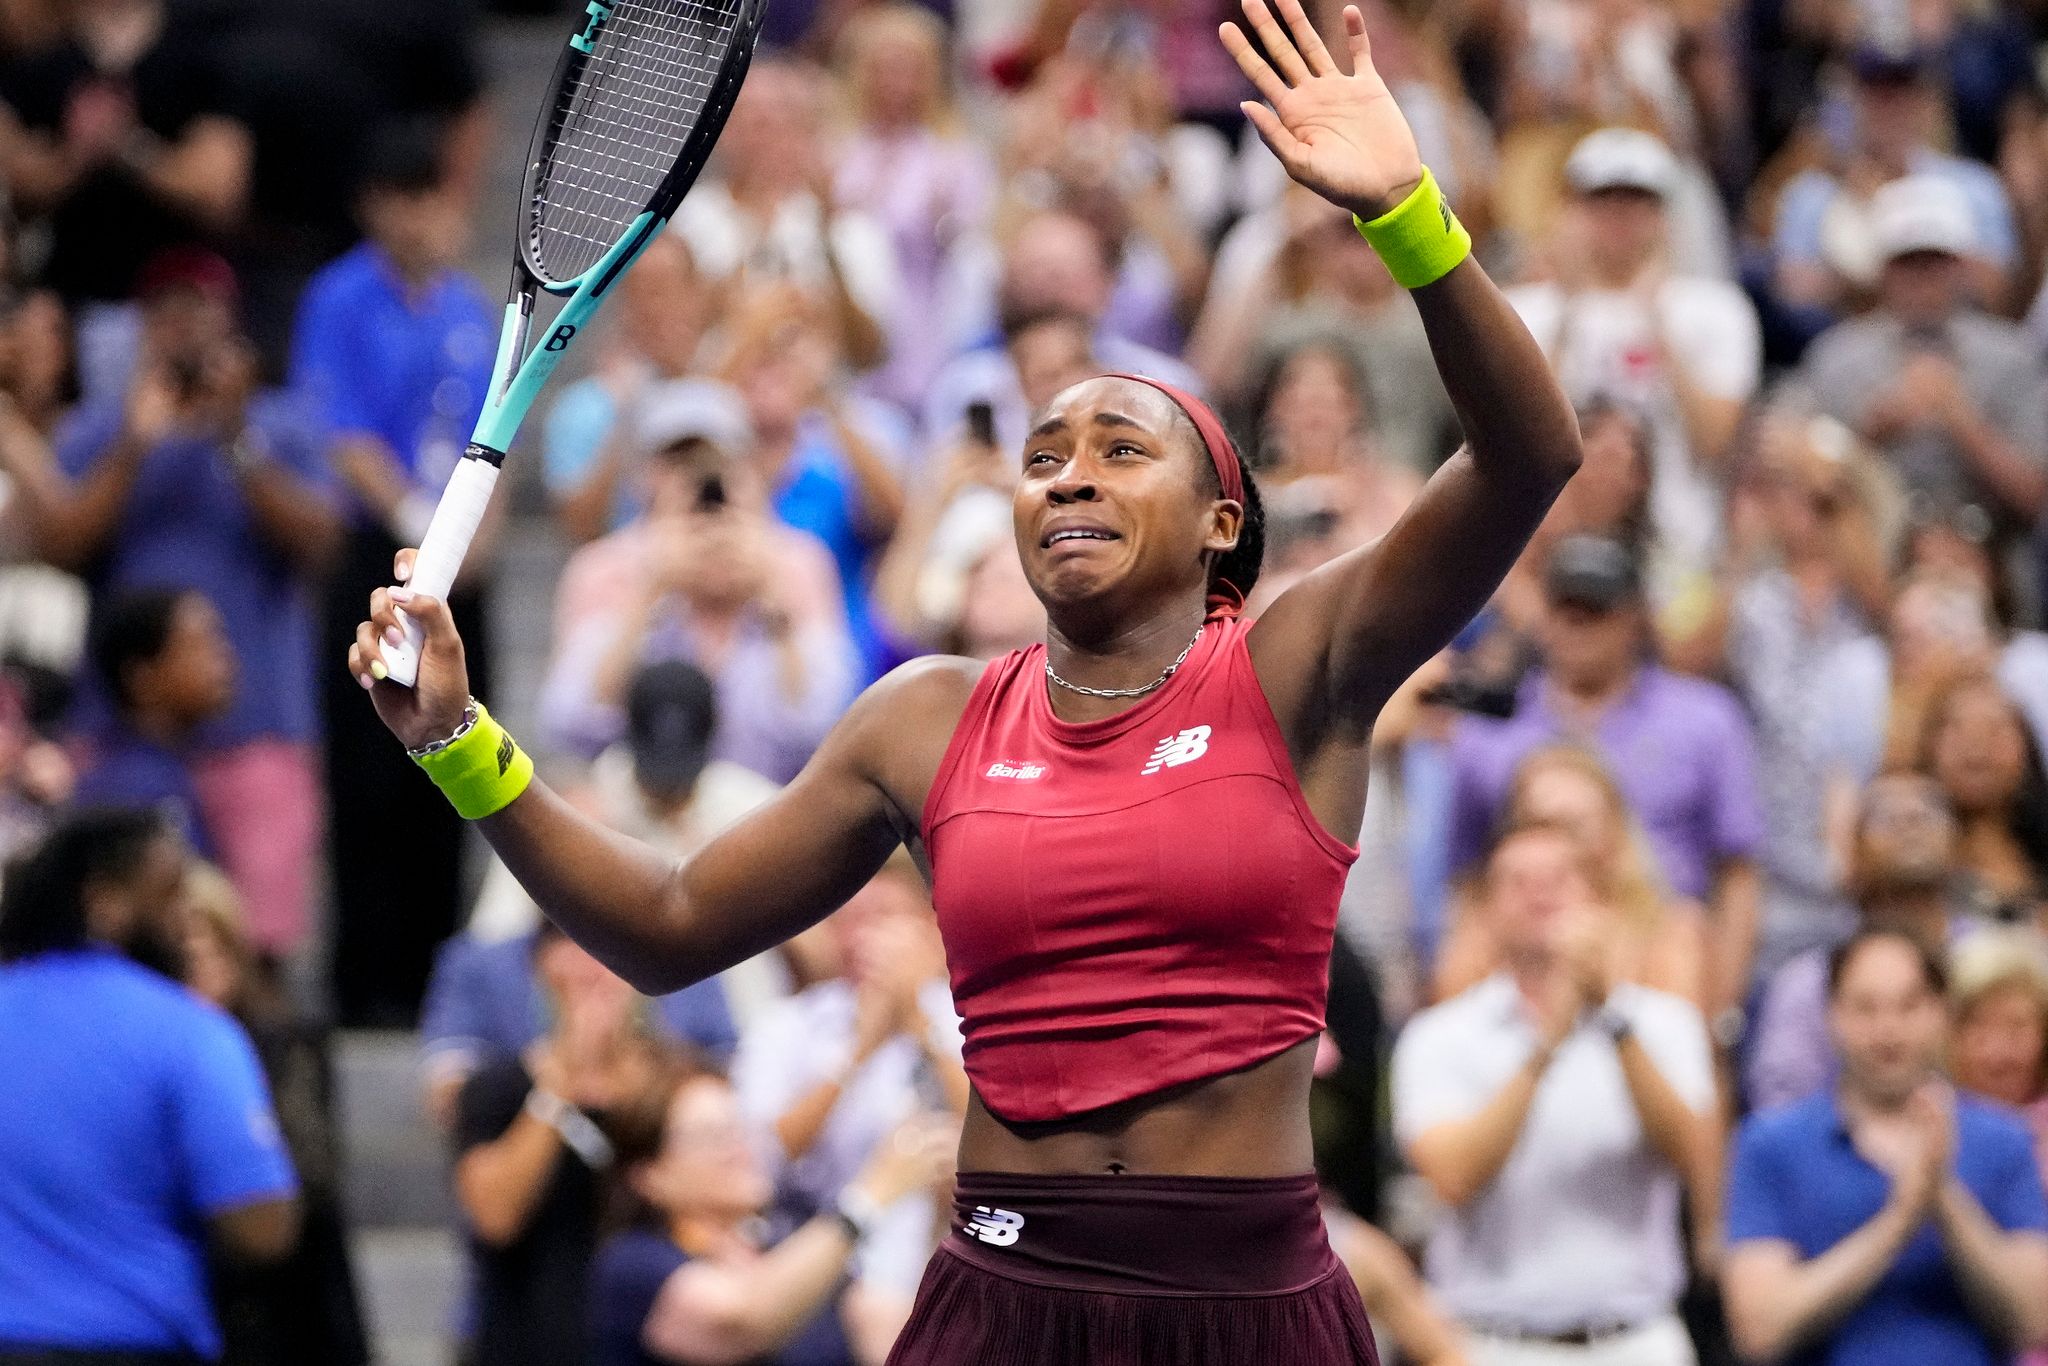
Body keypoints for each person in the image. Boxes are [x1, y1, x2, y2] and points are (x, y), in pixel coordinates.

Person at [348, 2, 1583, 1356]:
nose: (1069, 475)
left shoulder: (1301, 665)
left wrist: (1407, 214)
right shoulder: (925, 716)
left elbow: (1528, 456)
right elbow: (670, 920)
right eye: (1042, 456)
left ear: (1221, 521)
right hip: (1000, 1297)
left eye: (1121, 450)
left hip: (1247, 1305)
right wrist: (459, 737)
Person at [39, 248, 338, 952]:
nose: (182, 325)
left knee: (256, 946)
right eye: (165, 309)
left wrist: (236, 439)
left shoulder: (278, 425)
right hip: (122, 733)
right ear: (143, 325)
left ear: (228, 318)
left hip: (255, 728)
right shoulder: (99, 432)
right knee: (120, 937)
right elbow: (62, 545)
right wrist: (134, 446)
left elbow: (323, 544)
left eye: (198, 306)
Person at [293, 121, 499, 1024]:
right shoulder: (337, 299)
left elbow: (493, 435)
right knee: (367, 774)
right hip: (375, 558)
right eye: (405, 200)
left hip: (458, 572)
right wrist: (418, 517)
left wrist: (472, 543)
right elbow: (342, 433)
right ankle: (365, 989)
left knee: (452, 761)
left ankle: (434, 986)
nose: (423, 218)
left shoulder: (467, 308)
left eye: (434, 198)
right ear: (375, 208)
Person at [1393, 820, 1717, 1365]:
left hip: (1636, 1339)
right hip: (1492, 1341)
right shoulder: (1438, 1036)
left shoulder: (1665, 1024)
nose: (1539, 894)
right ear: (1486, 907)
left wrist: (1612, 1019)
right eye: (1518, 881)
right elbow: (1451, 1177)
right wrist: (1547, 1044)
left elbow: (1696, 1158)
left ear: (1601, 900)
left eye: (1559, 879)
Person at [0, 808, 300, 1362]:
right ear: (104, 902)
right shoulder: (190, 1034)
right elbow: (262, 1227)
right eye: (170, 894)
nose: (186, 918)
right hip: (132, 1339)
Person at [1446, 533, 1766, 1037]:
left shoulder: (1705, 720)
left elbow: (1738, 874)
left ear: (1634, 618)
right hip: (1524, 965)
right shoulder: (1490, 734)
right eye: (1565, 609)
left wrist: (1721, 1014)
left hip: (1654, 946)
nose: (1578, 627)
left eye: (1596, 611)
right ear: (1543, 615)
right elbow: (1467, 882)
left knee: (1683, 934)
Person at [1722, 929, 2048, 1365]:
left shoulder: (2003, 1138)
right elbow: (1759, 1331)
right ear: (1832, 1014)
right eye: (1866, 1008)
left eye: (1908, 1006)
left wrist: (1942, 1193)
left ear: (1941, 1011)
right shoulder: (1770, 1144)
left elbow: (2033, 1318)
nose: (1887, 1030)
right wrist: (1898, 1220)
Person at [537, 386, 860, 783]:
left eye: (714, 463)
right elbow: (570, 723)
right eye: (677, 462)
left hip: (775, 796)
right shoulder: (604, 568)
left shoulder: (796, 561)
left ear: (749, 470)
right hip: (640, 802)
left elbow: (823, 721)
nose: (699, 481)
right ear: (644, 473)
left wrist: (768, 595)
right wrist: (653, 593)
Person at [1509, 127, 1762, 572]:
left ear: (1663, 215)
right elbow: (1516, 439)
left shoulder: (1716, 310)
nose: (1619, 219)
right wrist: (1568, 308)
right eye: (1601, 202)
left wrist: (1657, 322)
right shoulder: (1523, 311)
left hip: (1678, 547)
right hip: (1547, 543)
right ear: (1571, 211)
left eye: (1636, 203)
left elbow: (1715, 443)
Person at [589, 1066, 952, 1366]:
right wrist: (873, 1195)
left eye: (739, 1128)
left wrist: (947, 1212)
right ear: (649, 1177)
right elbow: (742, 1320)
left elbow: (885, 1327)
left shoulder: (779, 1245)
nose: (739, 1148)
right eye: (714, 1135)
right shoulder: (634, 1262)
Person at [452, 921, 673, 1366]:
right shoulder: (496, 1090)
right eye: (575, 951)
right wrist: (560, 1083)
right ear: (540, 968)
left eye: (608, 954)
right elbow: (494, 1218)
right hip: (527, 1338)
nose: (593, 970)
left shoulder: (677, 1087)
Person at [182, 862, 369, 1366]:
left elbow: (311, 1178)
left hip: (284, 1298)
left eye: (210, 949)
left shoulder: (285, 1044)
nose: (199, 969)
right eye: (183, 954)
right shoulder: (138, 1052)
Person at [1797, 174, 2048, 552]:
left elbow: (2035, 500)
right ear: (1883, 269)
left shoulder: (2010, 357)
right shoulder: (1837, 358)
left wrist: (1960, 417)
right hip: (1872, 550)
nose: (1922, 278)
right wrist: (1871, 431)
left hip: (1990, 550)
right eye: (1908, 262)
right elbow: (1804, 490)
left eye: (1935, 261)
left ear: (1961, 266)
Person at [1747, 772, 1978, 1112]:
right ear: (1851, 851)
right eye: (1884, 816)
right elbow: (1781, 1113)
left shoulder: (2003, 961)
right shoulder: (1809, 984)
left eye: (1928, 812)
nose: (1909, 823)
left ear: (1960, 844)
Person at [1433, 745, 1707, 1009]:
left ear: (1614, 833)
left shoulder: (1666, 931)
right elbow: (1448, 1027)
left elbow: (1677, 1032)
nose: (1558, 844)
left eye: (1574, 827)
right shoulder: (1484, 934)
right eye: (1541, 823)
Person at [71, 587, 234, 854]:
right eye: (201, 645)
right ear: (142, 678)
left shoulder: (171, 768)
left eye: (220, 641)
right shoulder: (133, 790)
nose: (225, 659)